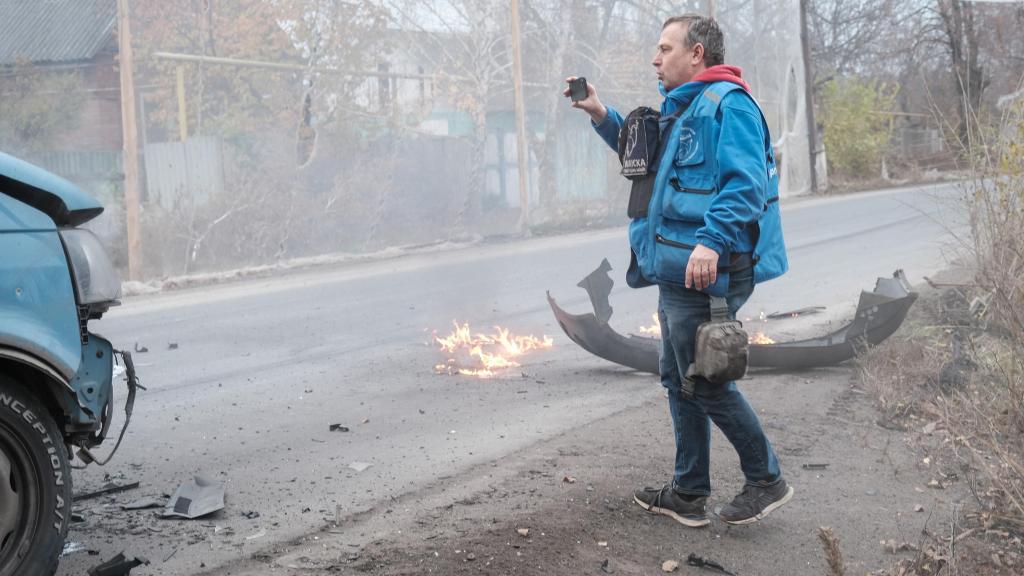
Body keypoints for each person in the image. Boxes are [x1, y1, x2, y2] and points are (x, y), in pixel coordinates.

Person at [564, 13, 792, 527]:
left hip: (708, 271)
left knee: (704, 379)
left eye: (665, 48)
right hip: (675, 269)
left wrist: (711, 242)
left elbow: (745, 185)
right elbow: (644, 157)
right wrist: (602, 114)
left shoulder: (728, 107)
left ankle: (766, 479)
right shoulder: (681, 109)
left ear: (697, 54)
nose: (655, 57)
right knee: (677, 376)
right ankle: (689, 492)